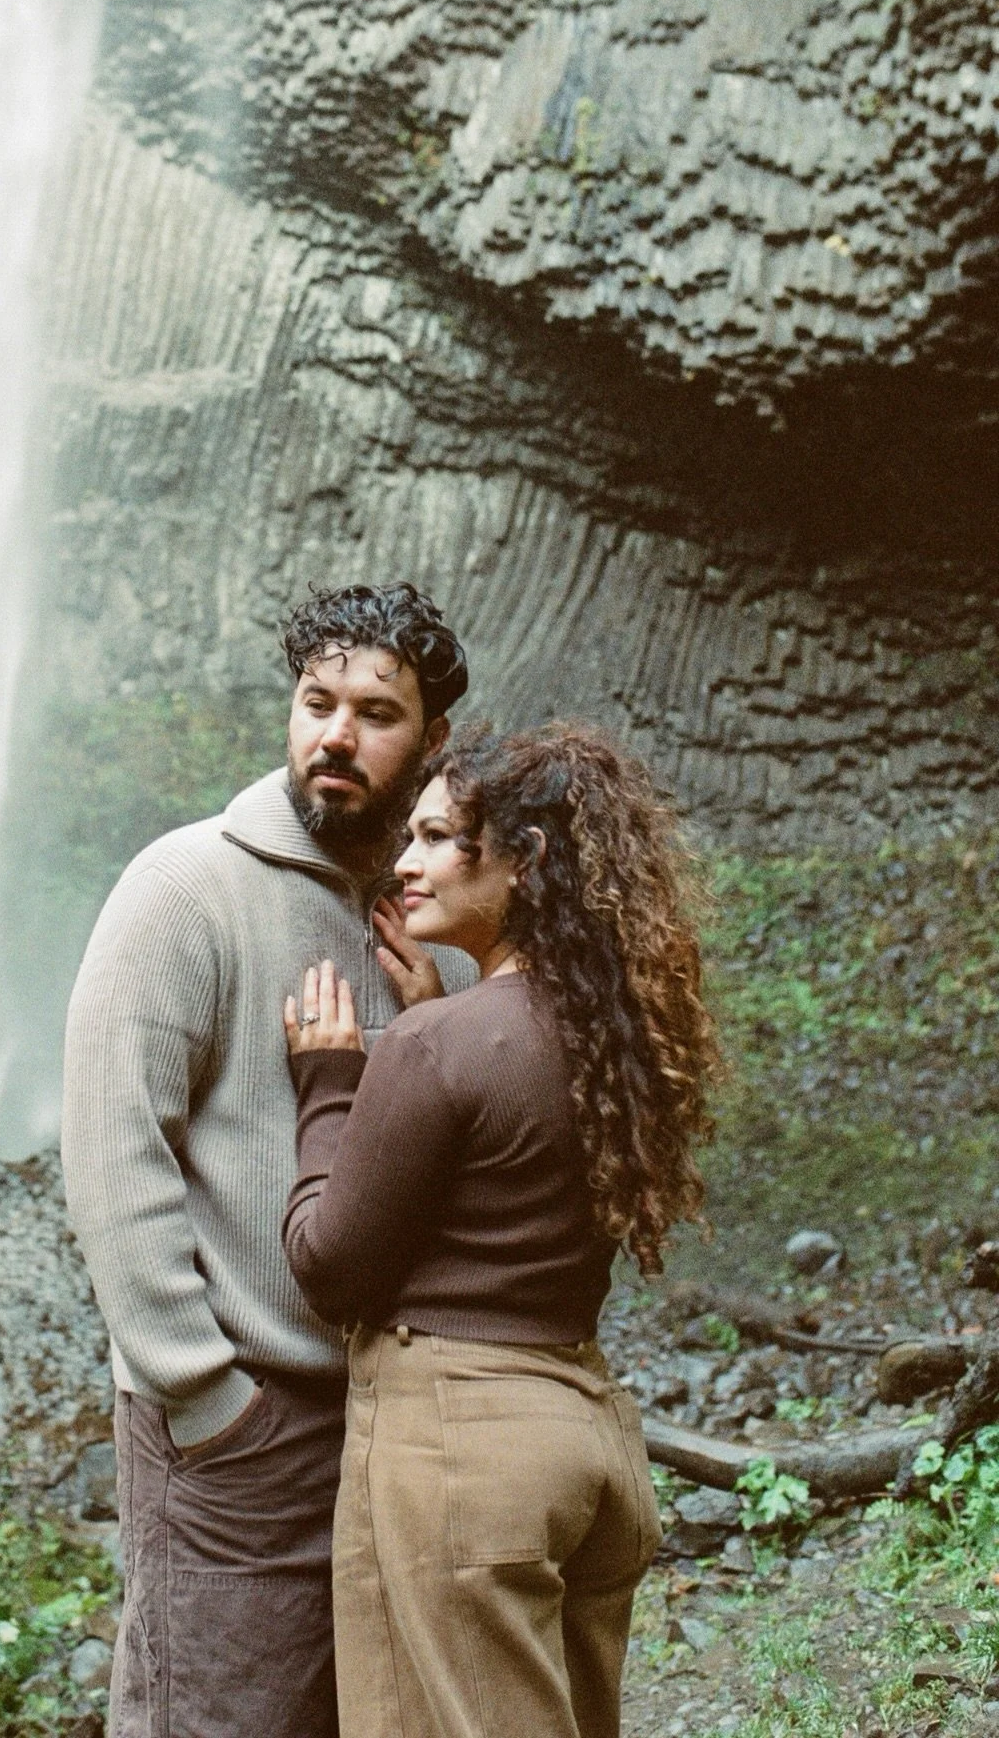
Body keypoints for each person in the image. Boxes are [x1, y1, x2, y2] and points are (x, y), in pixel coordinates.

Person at [61, 583, 473, 1738]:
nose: (336, 733)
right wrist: (204, 1393)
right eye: (315, 701)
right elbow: (111, 1153)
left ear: (432, 740)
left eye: (376, 712)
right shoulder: (183, 888)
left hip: (388, 1428)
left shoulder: (431, 915)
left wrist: (430, 1017)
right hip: (235, 1428)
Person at [282, 724, 721, 1738]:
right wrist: (438, 1013)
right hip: (589, 1438)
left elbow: (328, 1266)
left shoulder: (444, 1044)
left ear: (524, 861)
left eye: (438, 838)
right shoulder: (624, 1036)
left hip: (464, 1457)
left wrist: (329, 1086)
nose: (404, 860)